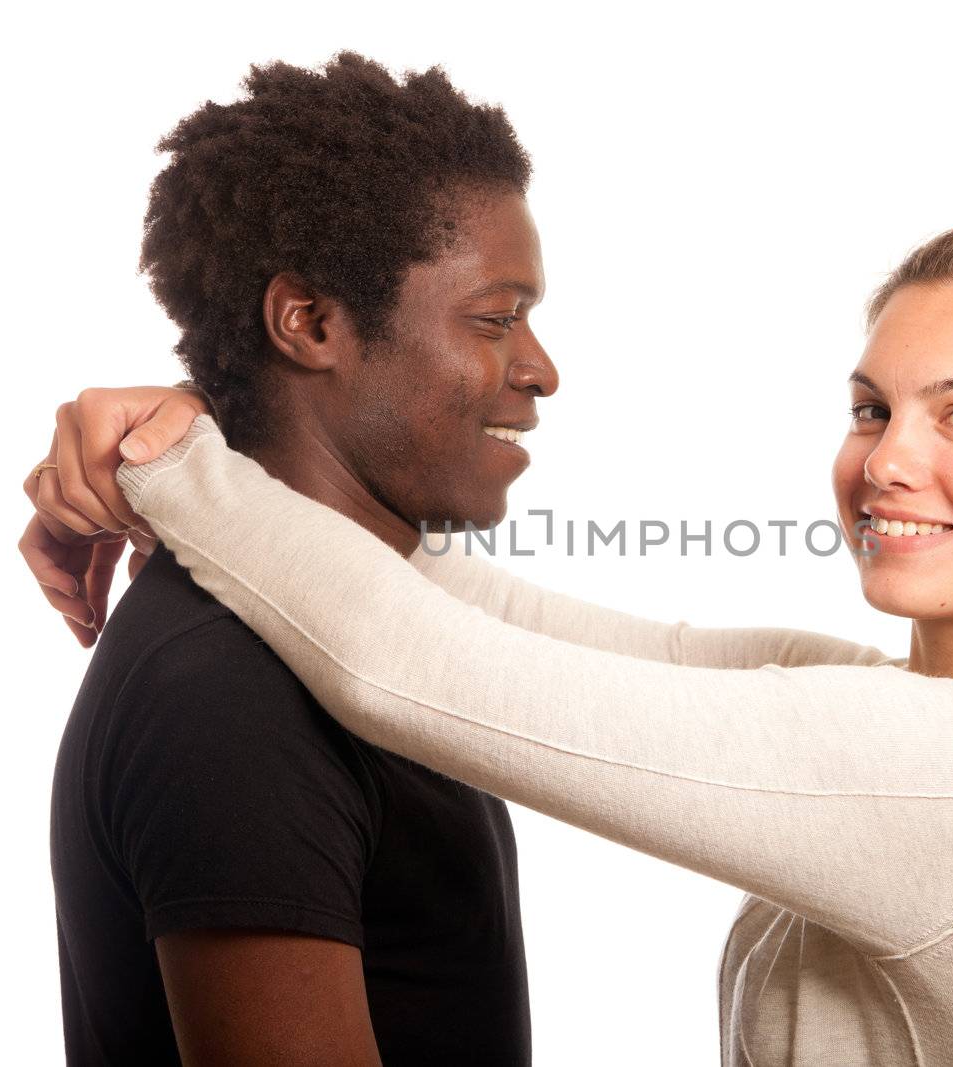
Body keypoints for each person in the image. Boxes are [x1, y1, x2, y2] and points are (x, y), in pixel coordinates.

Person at [28, 222, 953, 1065]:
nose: (889, 461)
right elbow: (502, 620)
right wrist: (251, 451)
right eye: (873, 407)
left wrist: (176, 466)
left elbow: (411, 671)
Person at [31, 53, 570, 1066]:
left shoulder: (368, 623)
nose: (541, 369)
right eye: (496, 318)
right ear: (310, 322)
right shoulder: (230, 693)